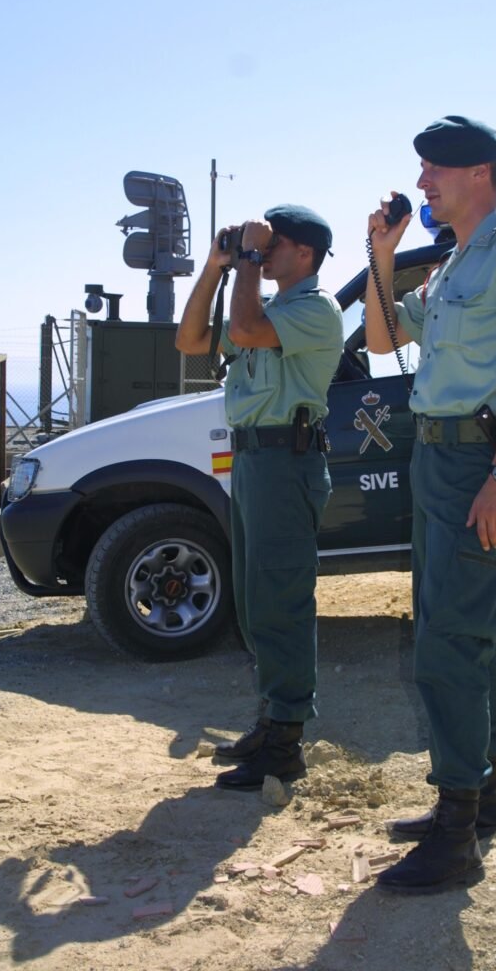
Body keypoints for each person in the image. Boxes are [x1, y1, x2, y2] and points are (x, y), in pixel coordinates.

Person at [364, 116, 496, 892]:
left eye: (431, 171)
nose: (420, 185)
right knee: (464, 635)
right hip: (435, 458)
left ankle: (454, 832)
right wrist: (379, 255)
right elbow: (381, 340)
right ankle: (478, 802)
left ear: (477, 172)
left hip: (479, 460)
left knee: (448, 640)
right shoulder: (446, 269)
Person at [176, 204, 344, 791]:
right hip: (252, 461)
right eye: (261, 244)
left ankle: (285, 745)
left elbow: (244, 333)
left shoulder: (317, 310)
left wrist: (246, 260)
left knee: (281, 603)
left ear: (306, 253)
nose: (264, 252)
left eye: (275, 244)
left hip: (286, 460)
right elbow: (190, 339)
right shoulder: (263, 305)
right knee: (253, 604)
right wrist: (217, 267)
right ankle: (272, 718)